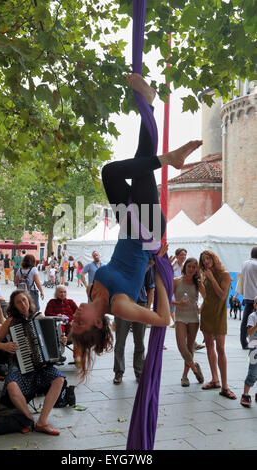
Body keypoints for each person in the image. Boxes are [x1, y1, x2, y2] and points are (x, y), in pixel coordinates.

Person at [69, 73, 202, 380]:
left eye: (72, 322)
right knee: (133, 167)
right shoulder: (119, 306)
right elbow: (162, 319)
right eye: (79, 323)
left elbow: (128, 269)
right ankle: (167, 151)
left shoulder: (92, 289)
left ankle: (151, 107)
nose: (74, 317)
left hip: (128, 226)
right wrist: (158, 269)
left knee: (115, 171)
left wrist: (147, 263)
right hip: (146, 231)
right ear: (98, 324)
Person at [0, 290, 65, 435]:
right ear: (14, 305)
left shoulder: (39, 317)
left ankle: (42, 422)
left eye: (24, 300)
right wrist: (4, 345)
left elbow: (55, 342)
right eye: (18, 302)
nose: (23, 304)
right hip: (19, 363)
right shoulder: (11, 320)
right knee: (12, 385)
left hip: (41, 365)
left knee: (59, 379)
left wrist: (61, 341)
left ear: (29, 301)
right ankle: (29, 419)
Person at [199, 250, 236, 399]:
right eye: (203, 260)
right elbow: (206, 294)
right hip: (207, 312)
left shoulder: (225, 274)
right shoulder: (205, 274)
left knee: (220, 348)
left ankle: (225, 387)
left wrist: (211, 278)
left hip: (219, 314)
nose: (206, 261)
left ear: (214, 258)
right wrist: (201, 283)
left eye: (208, 258)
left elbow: (222, 296)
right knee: (209, 345)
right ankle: (215, 379)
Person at [113, 266, 155, 385]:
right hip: (123, 304)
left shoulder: (146, 264)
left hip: (140, 304)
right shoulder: (121, 262)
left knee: (139, 341)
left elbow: (151, 287)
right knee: (120, 341)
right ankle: (119, 371)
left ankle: (139, 371)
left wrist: (148, 309)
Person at [172, 258, 205, 387]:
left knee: (190, 347)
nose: (191, 269)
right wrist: (178, 303)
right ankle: (195, 368)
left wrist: (201, 308)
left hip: (193, 318)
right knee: (182, 347)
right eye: (189, 266)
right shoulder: (176, 281)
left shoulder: (198, 283)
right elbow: (168, 299)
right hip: (180, 317)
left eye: (194, 267)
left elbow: (206, 297)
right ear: (185, 267)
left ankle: (185, 376)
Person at [240, 296, 257, 407]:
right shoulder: (252, 316)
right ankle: (245, 394)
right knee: (253, 372)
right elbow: (249, 332)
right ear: (255, 305)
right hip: (254, 347)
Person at [239, 247, 257, 349]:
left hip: (247, 295)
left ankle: (243, 342)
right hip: (255, 296)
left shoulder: (244, 263)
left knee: (245, 321)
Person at [170, 248, 187, 327]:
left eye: (184, 255)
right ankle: (176, 322)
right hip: (173, 289)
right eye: (181, 255)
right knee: (171, 306)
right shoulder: (173, 266)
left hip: (182, 289)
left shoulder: (185, 266)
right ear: (176, 256)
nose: (183, 256)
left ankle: (178, 322)